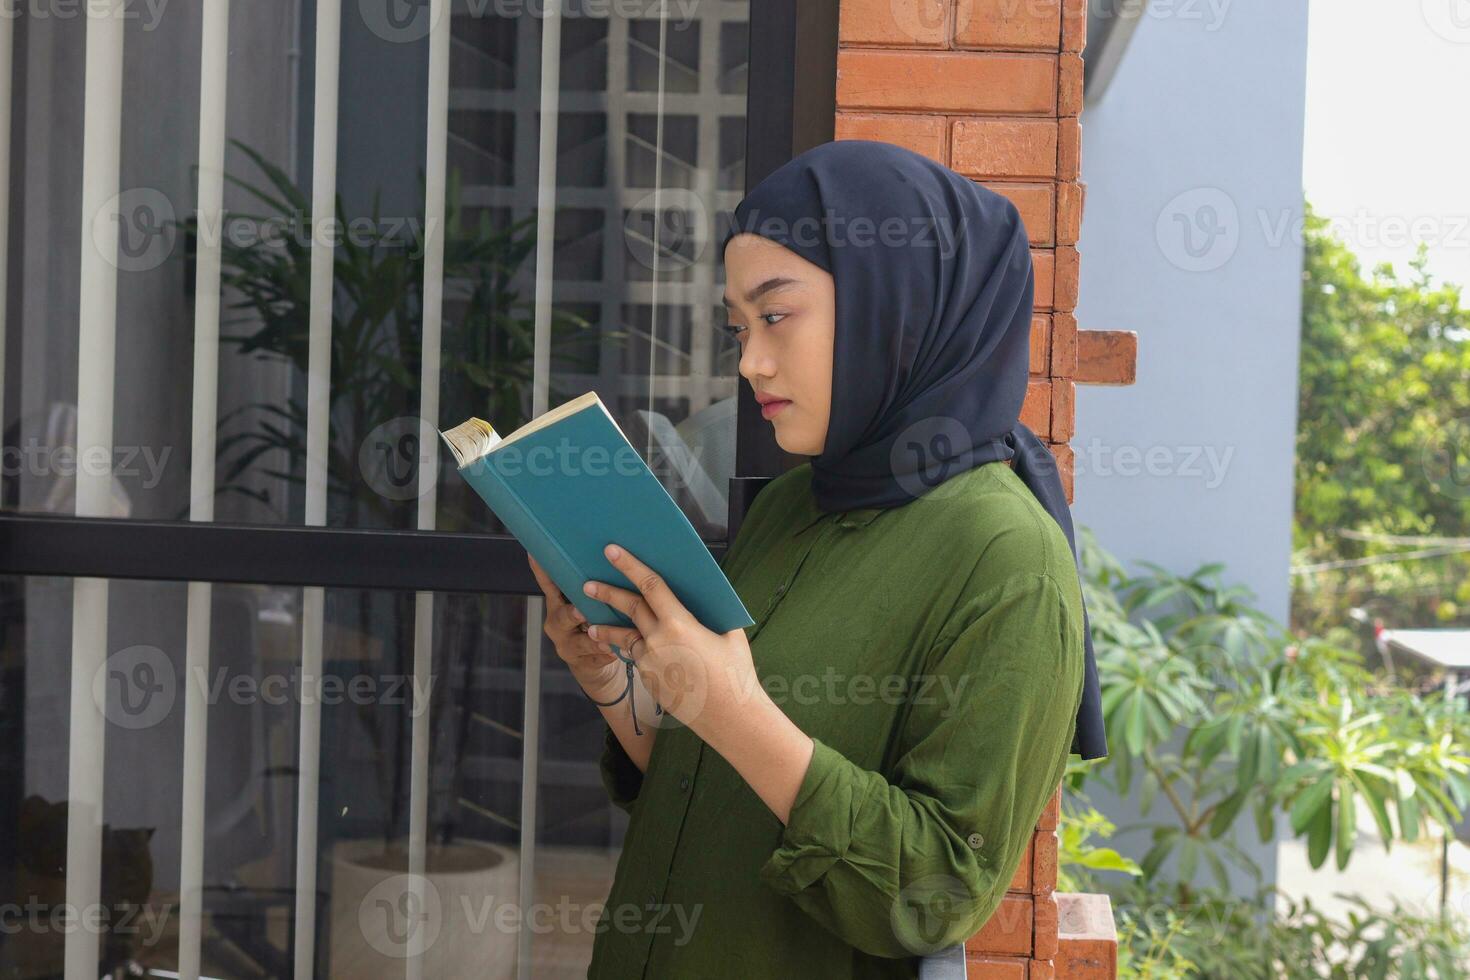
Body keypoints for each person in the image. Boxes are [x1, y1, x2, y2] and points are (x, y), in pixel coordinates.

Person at [528, 139, 1108, 979]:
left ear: (894, 306)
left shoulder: (1008, 560)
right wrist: (615, 680)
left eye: (775, 314)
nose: (750, 361)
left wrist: (733, 708)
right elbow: (704, 778)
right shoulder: (795, 504)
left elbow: (937, 888)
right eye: (738, 326)